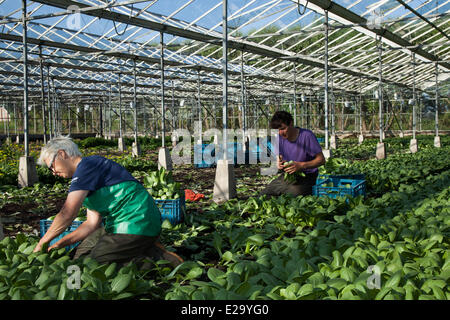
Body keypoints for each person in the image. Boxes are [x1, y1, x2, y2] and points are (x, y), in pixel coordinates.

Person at [34, 135, 183, 268]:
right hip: (118, 225)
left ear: (62, 154)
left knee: (95, 263)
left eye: (51, 166)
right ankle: (141, 247)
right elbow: (91, 224)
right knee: (79, 257)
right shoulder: (86, 173)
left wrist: (43, 242)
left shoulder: (87, 166)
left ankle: (156, 259)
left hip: (137, 222)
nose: (53, 173)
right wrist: (60, 243)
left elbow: (68, 213)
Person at [261, 111, 325, 197]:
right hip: (288, 176)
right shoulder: (279, 138)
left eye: (283, 129)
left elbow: (321, 160)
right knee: (264, 195)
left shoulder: (306, 136)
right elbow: (279, 156)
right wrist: (279, 163)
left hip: (307, 176)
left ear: (291, 123)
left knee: (292, 196)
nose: (280, 133)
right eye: (277, 130)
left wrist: (301, 165)